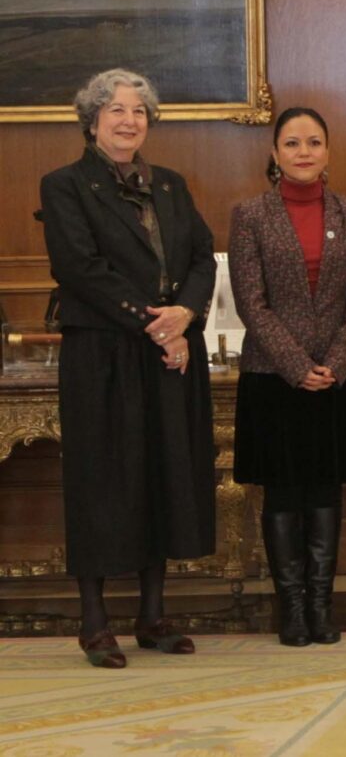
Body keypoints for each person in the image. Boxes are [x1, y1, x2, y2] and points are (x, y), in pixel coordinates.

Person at [39, 69, 216, 668]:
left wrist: (185, 313)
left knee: (162, 474)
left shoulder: (170, 184)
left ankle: (152, 615)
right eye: (115, 109)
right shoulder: (64, 185)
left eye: (139, 110)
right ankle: (94, 622)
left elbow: (201, 257)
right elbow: (80, 268)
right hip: (102, 355)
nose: (129, 120)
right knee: (100, 481)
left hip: (167, 352)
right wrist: (157, 324)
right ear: (92, 121)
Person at [229, 107, 346, 646]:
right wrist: (297, 367)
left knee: (325, 492)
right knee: (283, 494)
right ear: (275, 153)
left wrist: (334, 364)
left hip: (337, 375)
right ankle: (291, 609)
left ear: (328, 151)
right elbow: (251, 302)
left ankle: (320, 605)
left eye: (314, 142)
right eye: (292, 143)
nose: (304, 152)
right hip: (273, 376)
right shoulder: (250, 215)